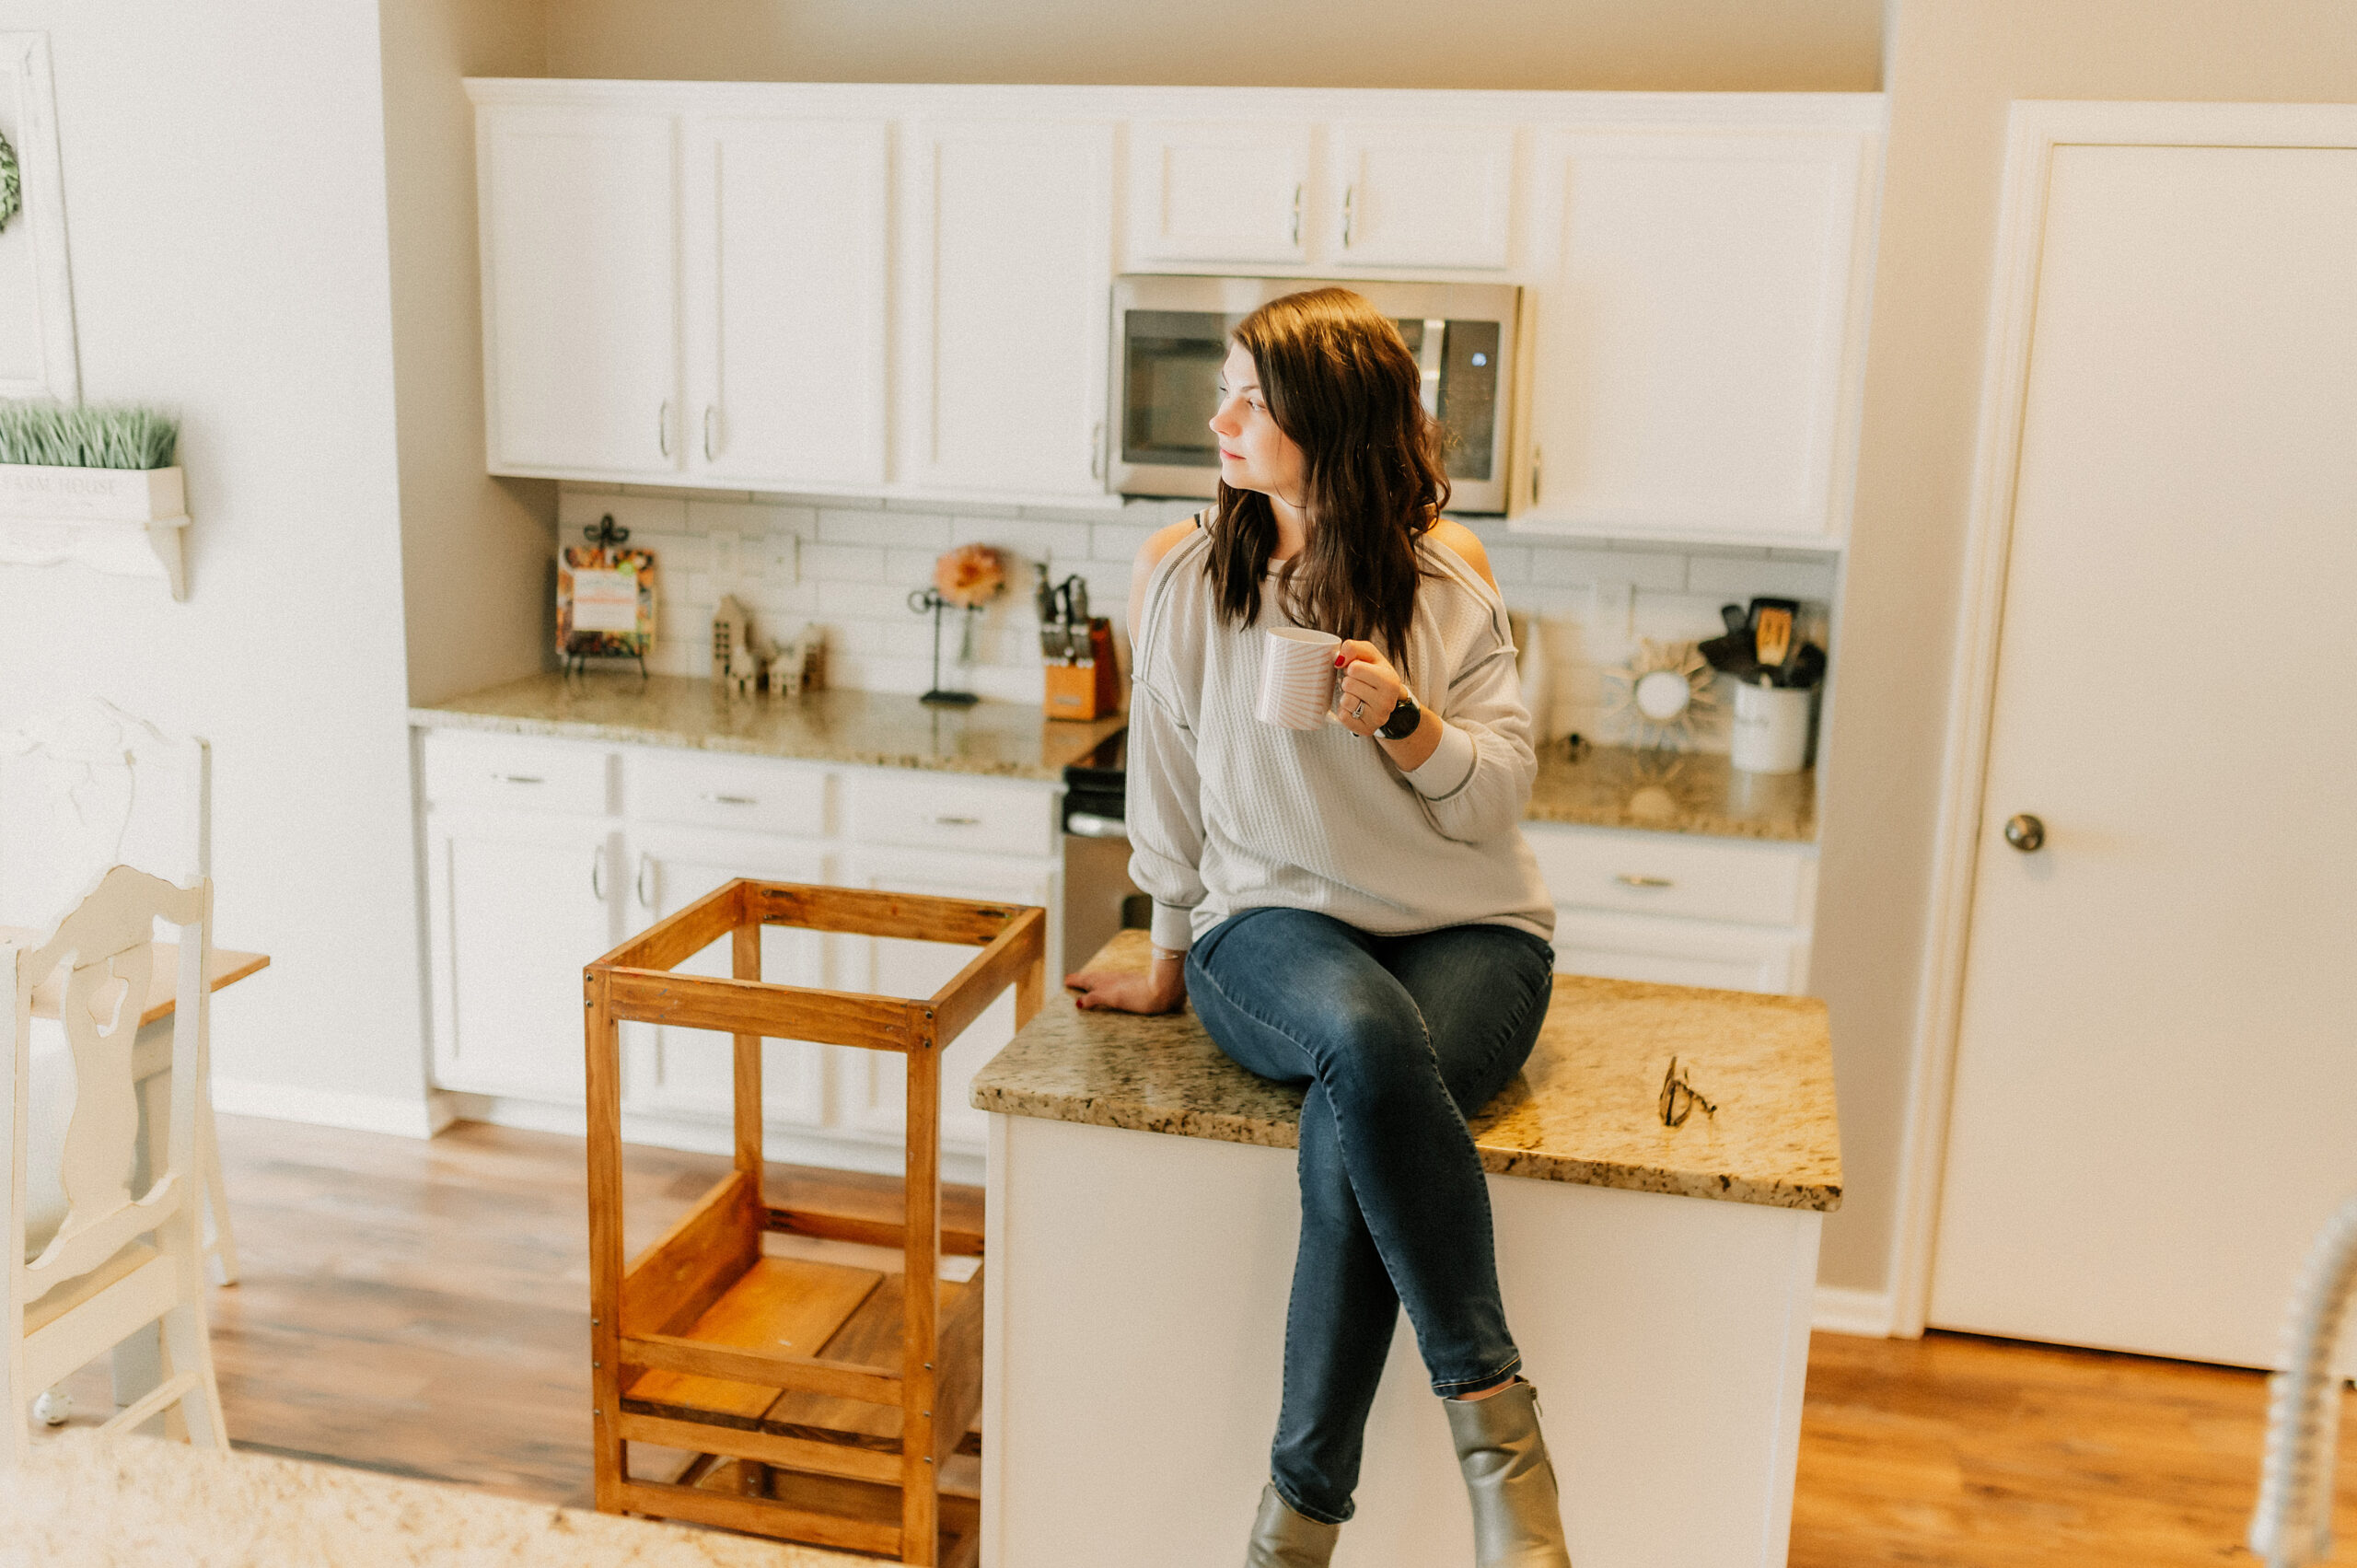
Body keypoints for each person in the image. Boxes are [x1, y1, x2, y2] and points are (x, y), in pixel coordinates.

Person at [1065, 287, 1573, 1568]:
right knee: (1363, 1040)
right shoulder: (1185, 573)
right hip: (1270, 931)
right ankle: (1501, 1441)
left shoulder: (1450, 579)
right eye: (1224, 390)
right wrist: (1168, 951)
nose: (1220, 417)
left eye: (1252, 396)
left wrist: (1408, 722)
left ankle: (1292, 1531)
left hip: (1472, 934)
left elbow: (1497, 798)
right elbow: (1169, 782)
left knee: (1360, 1125)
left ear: (1330, 420)